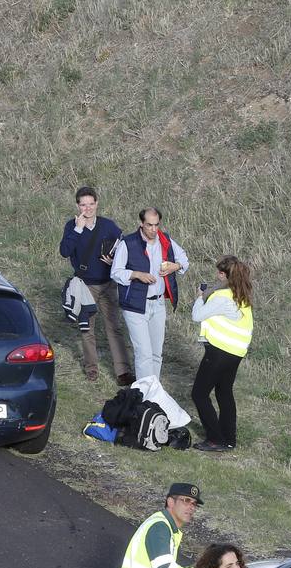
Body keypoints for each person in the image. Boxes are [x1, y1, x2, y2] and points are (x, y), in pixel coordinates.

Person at [59, 186, 133, 385]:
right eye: (83, 204)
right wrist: (78, 229)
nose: (88, 208)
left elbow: (123, 247)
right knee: (87, 329)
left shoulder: (108, 225)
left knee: (114, 327)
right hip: (86, 286)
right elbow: (65, 251)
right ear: (78, 206)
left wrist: (116, 261)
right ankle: (91, 369)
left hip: (108, 284)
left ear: (97, 203)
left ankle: (123, 372)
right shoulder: (71, 226)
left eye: (91, 204)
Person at [111, 207, 188, 382]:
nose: (153, 229)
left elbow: (184, 260)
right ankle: (144, 395)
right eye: (149, 225)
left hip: (159, 304)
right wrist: (137, 274)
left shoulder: (165, 240)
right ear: (141, 224)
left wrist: (174, 266)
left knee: (156, 353)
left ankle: (154, 391)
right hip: (135, 306)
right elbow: (116, 272)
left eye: (156, 225)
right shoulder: (128, 243)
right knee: (144, 353)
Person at [191, 256, 254, 452]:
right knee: (224, 394)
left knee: (199, 394)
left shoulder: (222, 297)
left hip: (218, 352)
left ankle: (215, 438)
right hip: (235, 353)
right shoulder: (241, 296)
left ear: (225, 275)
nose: (217, 274)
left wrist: (200, 298)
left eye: (220, 272)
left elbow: (197, 316)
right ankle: (229, 439)